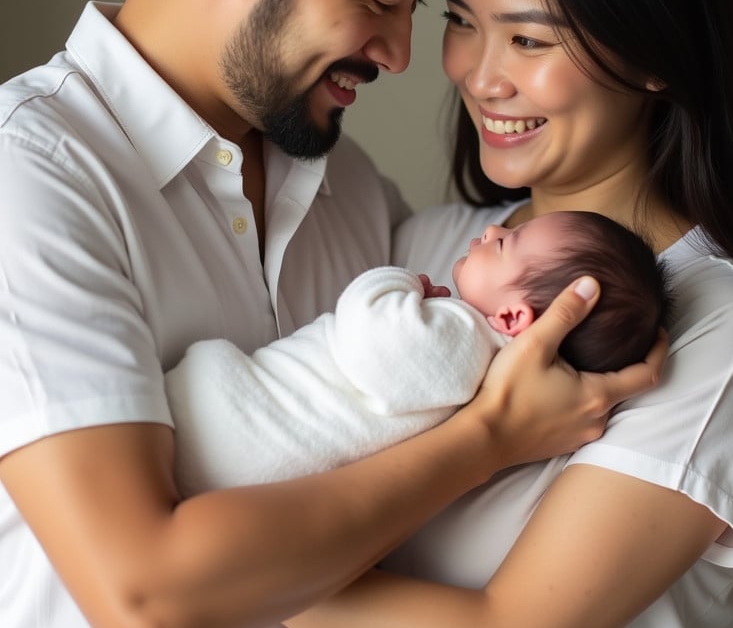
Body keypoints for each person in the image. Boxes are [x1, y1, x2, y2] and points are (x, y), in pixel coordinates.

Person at [0, 0, 663, 628]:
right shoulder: (35, 177)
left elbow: (532, 259)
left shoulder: (346, 186)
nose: (403, 55)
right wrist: (487, 439)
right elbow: (146, 600)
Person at [285, 0, 733, 628]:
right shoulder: (430, 247)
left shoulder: (717, 324)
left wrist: (207, 555)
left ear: (657, 51)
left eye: (530, 38)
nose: (481, 73)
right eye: (462, 21)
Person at [168, 210, 671, 495]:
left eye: (506, 244)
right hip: (251, 462)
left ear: (514, 319)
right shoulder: (483, 375)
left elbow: (367, 334)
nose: (493, 231)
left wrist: (399, 281)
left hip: (233, 425)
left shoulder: (465, 337)